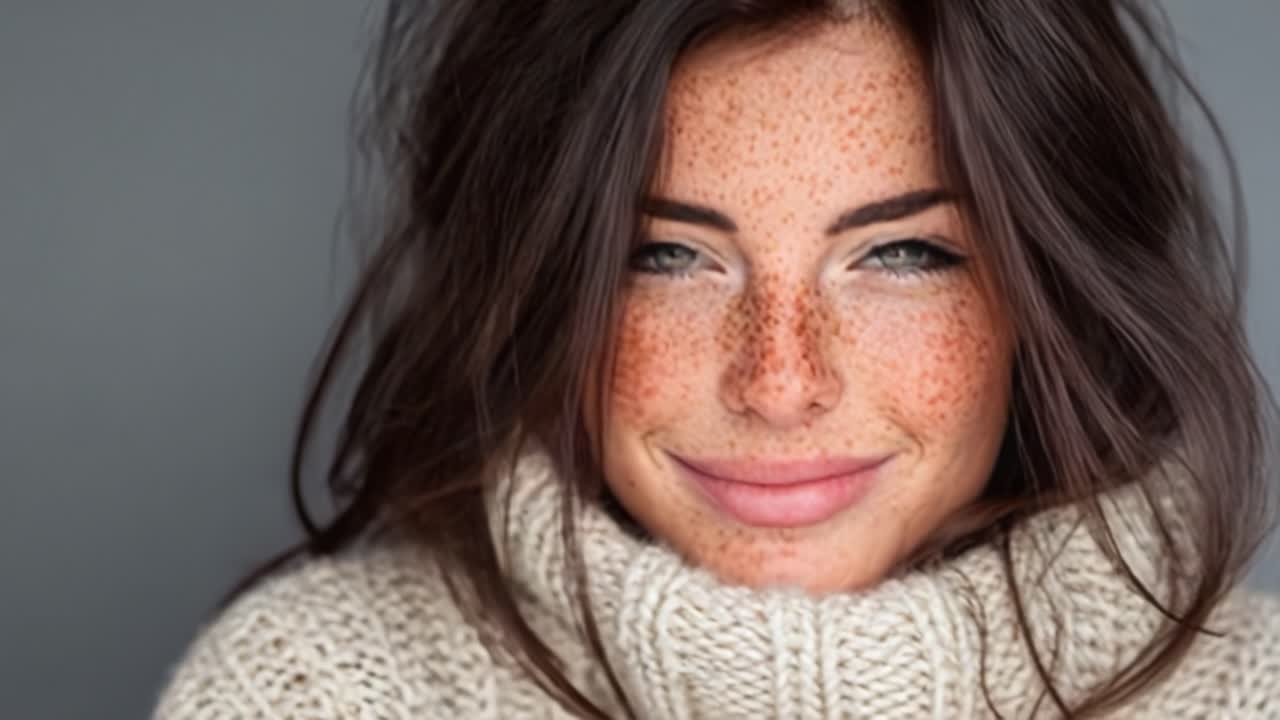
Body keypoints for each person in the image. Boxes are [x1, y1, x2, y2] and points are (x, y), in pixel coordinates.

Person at [154, 0, 1280, 717]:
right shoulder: (316, 690)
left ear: (1049, 293)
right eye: (668, 257)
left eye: (897, 253)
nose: (779, 383)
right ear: (544, 286)